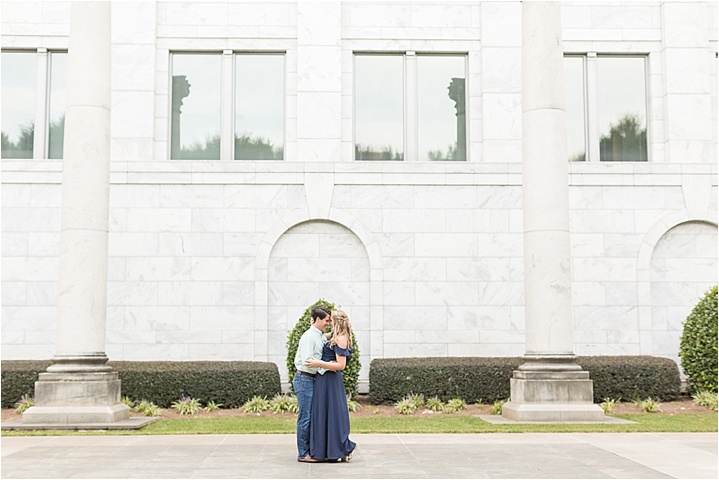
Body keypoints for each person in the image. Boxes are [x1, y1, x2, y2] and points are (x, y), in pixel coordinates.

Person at [305, 309, 357, 462]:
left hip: (331, 381)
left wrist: (318, 363)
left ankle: (340, 449)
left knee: (333, 414)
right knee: (323, 413)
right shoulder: (333, 336)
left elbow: (341, 365)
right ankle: (325, 450)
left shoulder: (341, 338)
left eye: (330, 320)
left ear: (336, 321)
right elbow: (318, 336)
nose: (328, 323)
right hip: (323, 379)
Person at [294, 306, 331, 463]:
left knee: (312, 416)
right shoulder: (309, 337)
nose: (328, 323)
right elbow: (307, 361)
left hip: (312, 380)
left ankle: (311, 449)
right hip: (305, 380)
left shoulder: (319, 335)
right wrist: (328, 367)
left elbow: (325, 338)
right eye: (326, 320)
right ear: (317, 319)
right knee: (306, 417)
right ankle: (303, 453)